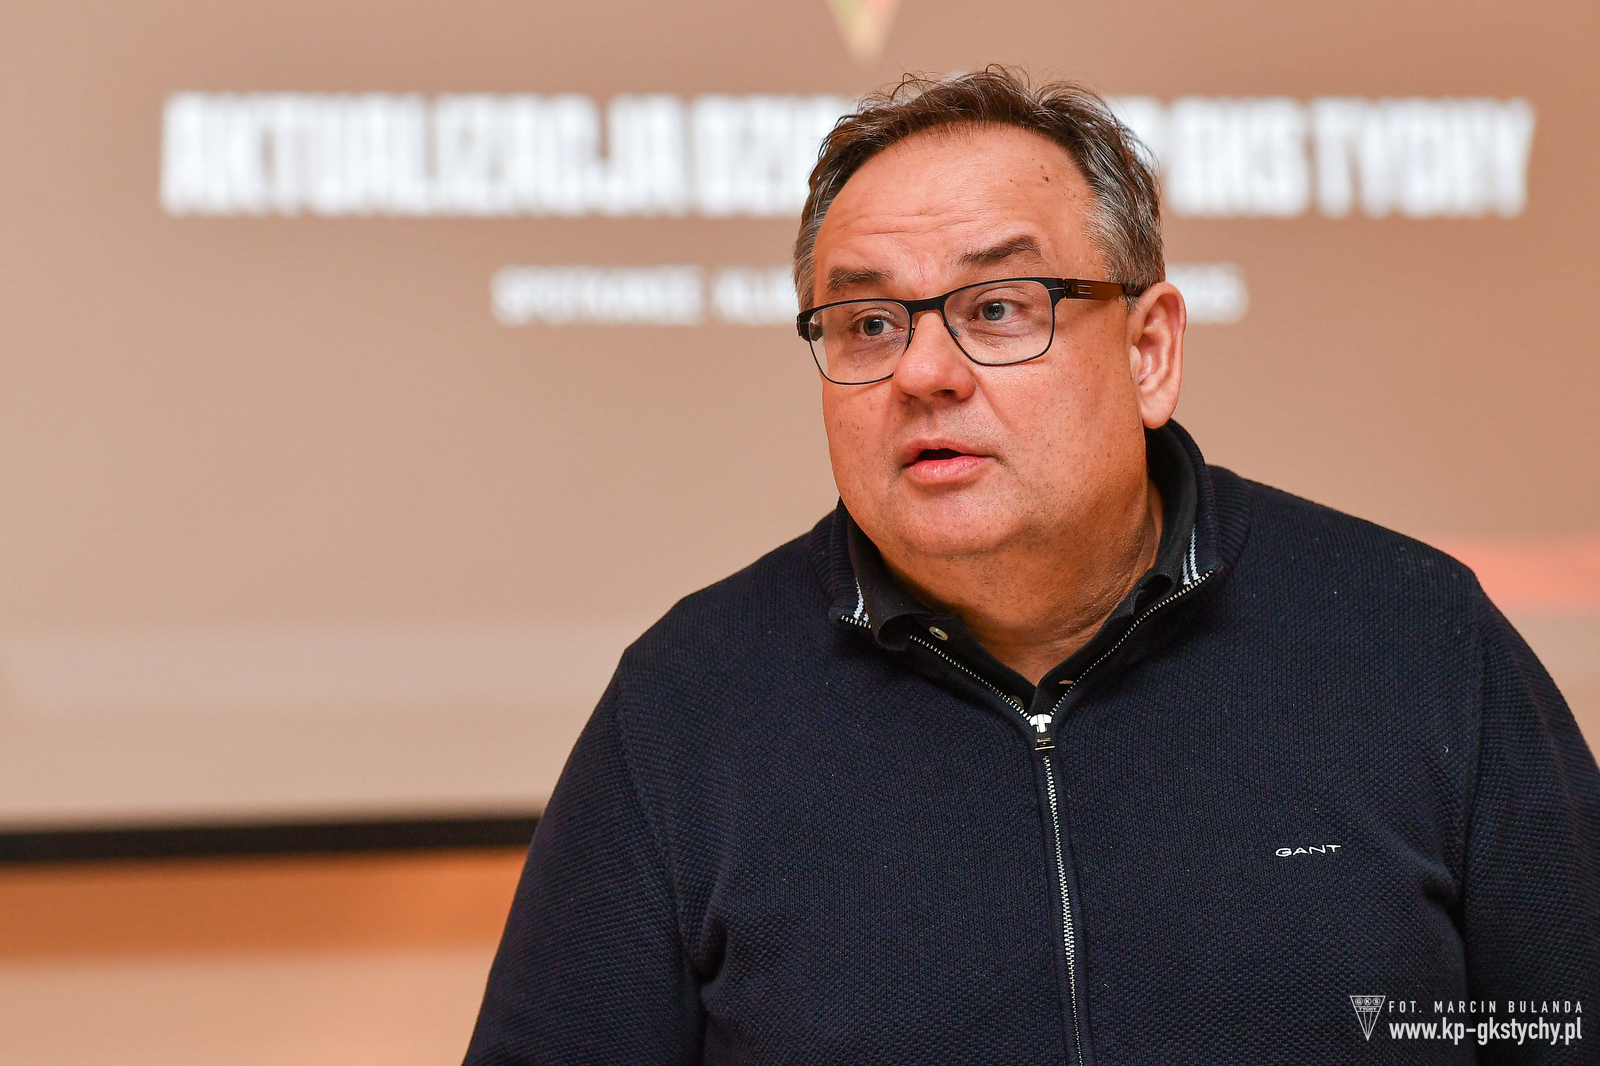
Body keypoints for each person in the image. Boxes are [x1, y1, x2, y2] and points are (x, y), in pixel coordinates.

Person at [465, 69, 1599, 1064]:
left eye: (999, 307)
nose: (924, 373)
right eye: (868, 324)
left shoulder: (1414, 637)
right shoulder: (687, 705)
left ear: (1149, 351)